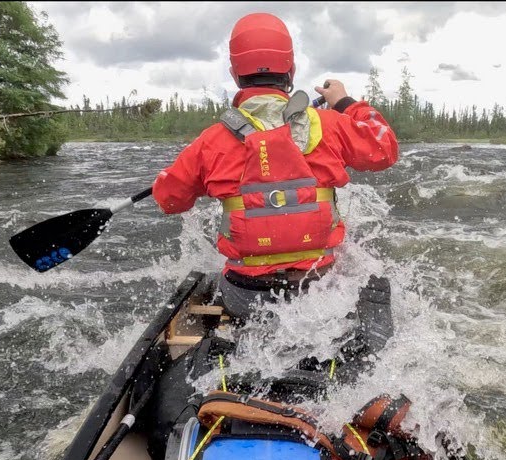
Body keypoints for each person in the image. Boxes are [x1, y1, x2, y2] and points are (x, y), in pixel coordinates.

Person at [151, 12, 399, 320]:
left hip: (245, 295)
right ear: (291, 70)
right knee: (349, 262)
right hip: (319, 288)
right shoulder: (330, 124)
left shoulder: (210, 142)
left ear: (234, 74)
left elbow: (169, 201)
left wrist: (188, 178)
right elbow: (385, 147)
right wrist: (346, 102)